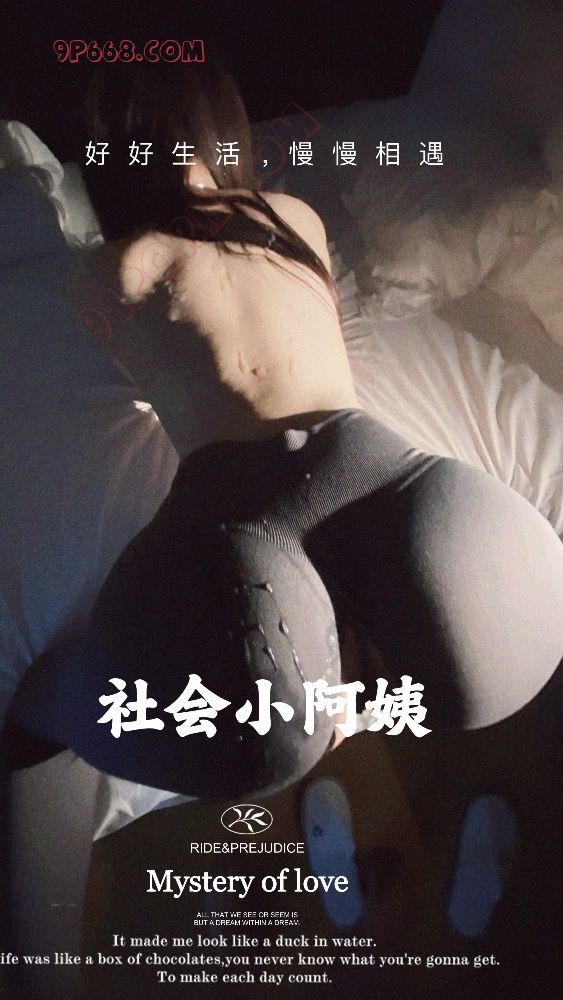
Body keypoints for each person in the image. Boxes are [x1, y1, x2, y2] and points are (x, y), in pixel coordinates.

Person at [4, 56, 563, 800]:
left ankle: (336, 708)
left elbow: (129, 348)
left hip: (232, 513)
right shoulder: (294, 217)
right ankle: (364, 702)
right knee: (492, 636)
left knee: (55, 706)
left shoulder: (114, 269)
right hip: (392, 476)